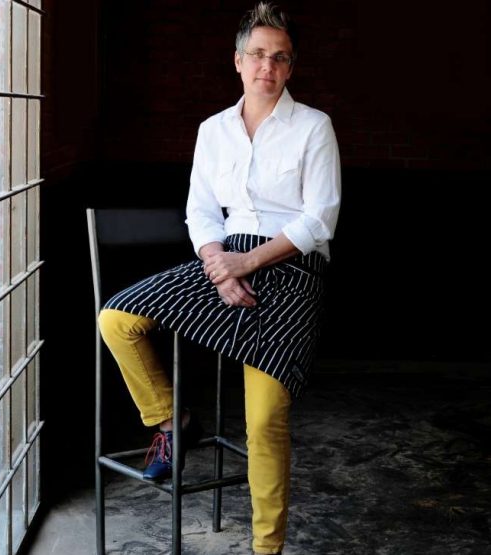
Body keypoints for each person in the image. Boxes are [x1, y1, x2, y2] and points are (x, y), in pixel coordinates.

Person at [98, 2, 341, 553]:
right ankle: (171, 421)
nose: (267, 67)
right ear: (237, 60)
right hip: (223, 258)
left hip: (291, 269)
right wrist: (218, 263)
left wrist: (247, 264)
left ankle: (265, 548)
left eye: (280, 58)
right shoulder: (213, 131)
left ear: (291, 66)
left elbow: (319, 219)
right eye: (257, 54)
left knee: (265, 421)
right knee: (116, 319)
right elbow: (201, 212)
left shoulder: (313, 127)